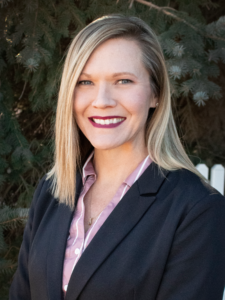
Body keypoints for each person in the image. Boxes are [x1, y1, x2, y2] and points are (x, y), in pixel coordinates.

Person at [10, 14, 225, 300]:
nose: (102, 101)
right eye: (85, 82)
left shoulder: (197, 209)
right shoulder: (51, 192)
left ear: (155, 94)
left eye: (123, 80)